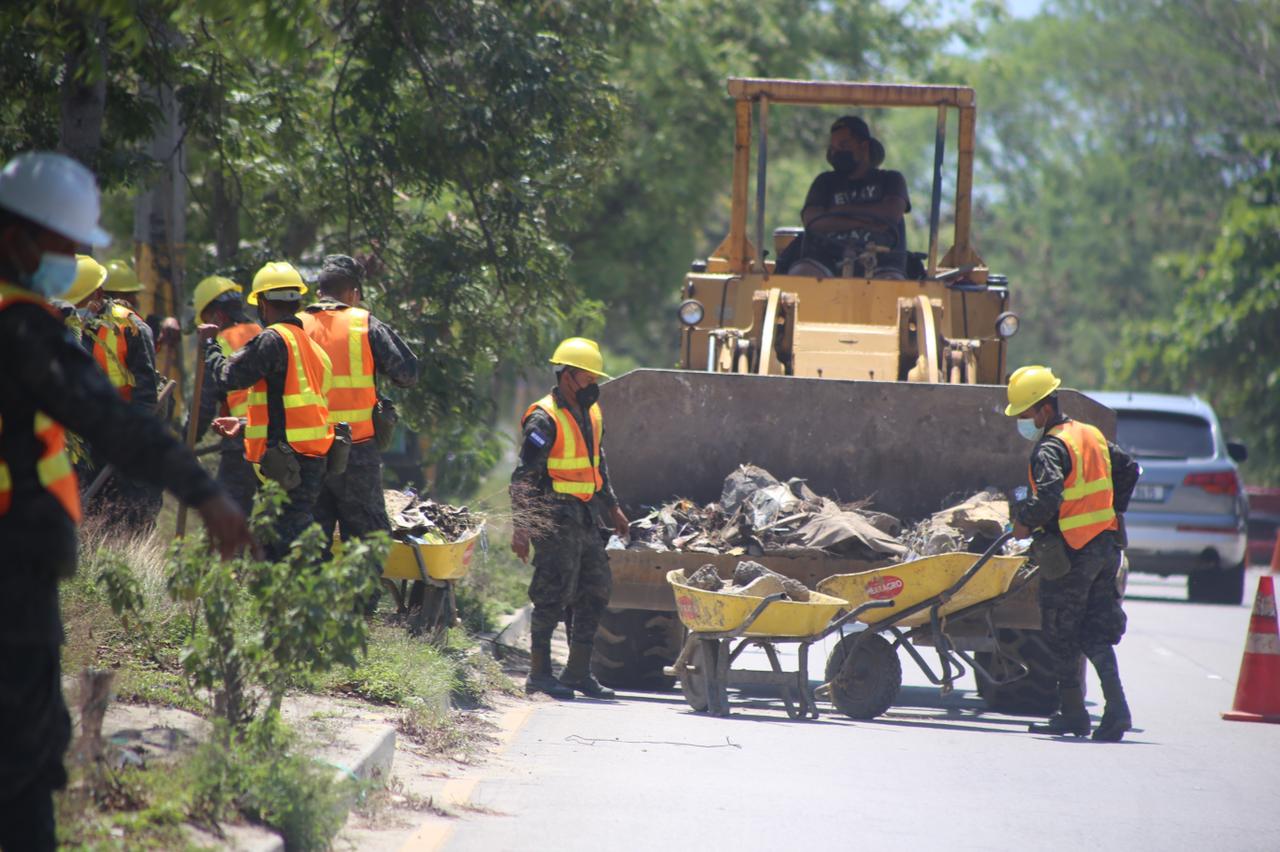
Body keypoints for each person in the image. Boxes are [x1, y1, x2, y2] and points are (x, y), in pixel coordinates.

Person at [0, 150, 251, 851]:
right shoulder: (22, 329)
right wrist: (204, 493)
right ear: (19, 238)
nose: (76, 260)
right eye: (67, 245)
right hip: (10, 579)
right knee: (22, 766)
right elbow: (114, 418)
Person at [1005, 365, 1140, 742]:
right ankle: (1116, 711)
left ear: (1044, 409)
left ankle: (1073, 714)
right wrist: (1115, 511)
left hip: (1072, 552)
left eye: (1025, 414)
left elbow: (1047, 496)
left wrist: (1024, 522)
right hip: (1105, 546)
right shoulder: (1089, 435)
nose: (1023, 422)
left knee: (1062, 631)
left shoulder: (1049, 447)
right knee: (1095, 631)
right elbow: (1130, 469)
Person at [510, 338, 630, 699]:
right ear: (567, 376)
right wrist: (522, 528)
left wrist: (613, 506)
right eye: (588, 377)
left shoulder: (590, 412)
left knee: (596, 589)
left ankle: (577, 672)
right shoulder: (543, 417)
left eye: (595, 377)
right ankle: (539, 674)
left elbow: (598, 463)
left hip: (586, 515)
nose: (594, 384)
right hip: (554, 516)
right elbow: (523, 477)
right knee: (551, 593)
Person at [202, 261, 334, 561]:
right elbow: (293, 408)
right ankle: (290, 599)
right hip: (310, 458)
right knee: (282, 535)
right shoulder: (312, 348)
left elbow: (229, 376)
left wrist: (209, 346)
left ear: (262, 304)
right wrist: (245, 423)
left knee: (287, 539)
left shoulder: (273, 339)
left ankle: (311, 596)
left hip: (285, 460)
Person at [300, 254, 419, 546]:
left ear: (319, 292)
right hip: (357, 454)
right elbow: (407, 373)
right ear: (353, 293)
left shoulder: (295, 326)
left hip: (306, 451)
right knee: (368, 544)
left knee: (309, 545)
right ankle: (359, 595)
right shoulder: (364, 323)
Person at [71, 254, 165, 532]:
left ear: (98, 295)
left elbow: (146, 396)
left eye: (80, 301)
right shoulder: (64, 325)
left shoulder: (130, 328)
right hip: (84, 441)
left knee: (131, 515)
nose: (76, 309)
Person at [779, 115, 912, 279]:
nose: (836, 152)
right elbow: (813, 221)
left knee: (893, 285)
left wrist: (838, 212)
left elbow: (891, 213)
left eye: (844, 145)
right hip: (823, 262)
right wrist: (865, 221)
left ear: (864, 146)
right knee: (801, 275)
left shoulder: (891, 179)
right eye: (833, 148)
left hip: (883, 263)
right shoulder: (824, 182)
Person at [189, 275, 262, 516]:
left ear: (217, 317)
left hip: (240, 441)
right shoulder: (264, 333)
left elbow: (204, 405)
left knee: (229, 514)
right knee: (274, 514)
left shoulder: (218, 345)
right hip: (273, 437)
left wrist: (186, 441)